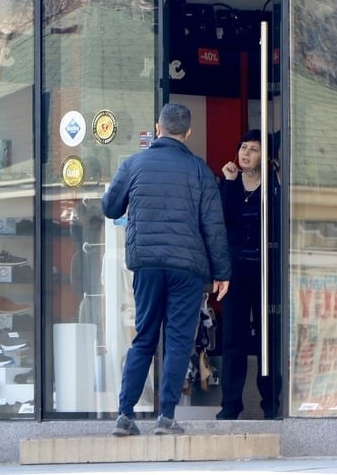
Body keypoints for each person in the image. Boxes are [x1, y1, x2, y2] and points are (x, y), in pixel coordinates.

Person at [102, 103, 231, 436]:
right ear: (187, 133)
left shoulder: (134, 164)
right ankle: (166, 418)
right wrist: (222, 273)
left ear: (158, 128)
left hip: (146, 264)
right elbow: (213, 226)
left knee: (143, 338)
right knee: (177, 342)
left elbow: (110, 206)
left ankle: (124, 415)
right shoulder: (200, 171)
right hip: (187, 269)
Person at [216, 129, 283, 420]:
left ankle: (271, 404)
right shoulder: (229, 183)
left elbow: (279, 222)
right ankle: (230, 405)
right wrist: (229, 184)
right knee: (233, 340)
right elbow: (222, 221)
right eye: (243, 147)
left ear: (265, 156)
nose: (246, 153)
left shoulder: (273, 186)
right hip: (235, 274)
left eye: (254, 149)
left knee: (269, 339)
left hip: (265, 272)